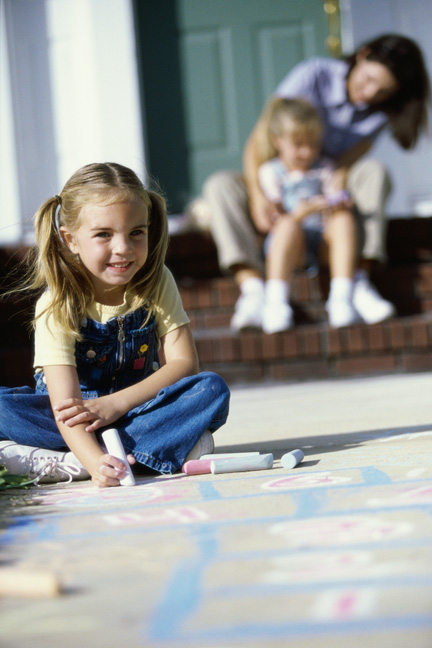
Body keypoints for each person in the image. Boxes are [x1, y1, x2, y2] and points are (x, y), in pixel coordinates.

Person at [0, 162, 230, 488]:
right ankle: (120, 456)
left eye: (136, 232)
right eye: (103, 235)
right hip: (70, 421)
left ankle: (88, 458)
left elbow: (184, 363)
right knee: (4, 408)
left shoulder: (156, 281)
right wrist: (95, 463)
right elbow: (64, 408)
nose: (122, 248)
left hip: (135, 410)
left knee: (209, 389)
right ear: (71, 240)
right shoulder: (57, 303)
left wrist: (115, 404)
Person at [202, 33, 430, 331]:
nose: (370, 93)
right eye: (368, 80)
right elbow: (260, 139)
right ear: (362, 55)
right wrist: (259, 196)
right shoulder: (313, 75)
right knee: (220, 185)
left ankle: (358, 278)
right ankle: (253, 289)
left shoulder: (381, 113)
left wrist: (335, 190)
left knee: (375, 172)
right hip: (276, 179)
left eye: (383, 91)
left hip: (323, 188)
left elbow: (347, 163)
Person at [259, 97, 358, 333]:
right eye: (299, 144)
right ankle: (275, 303)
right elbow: (275, 216)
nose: (307, 152)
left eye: (312, 144)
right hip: (292, 246)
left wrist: (339, 201)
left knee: (343, 219)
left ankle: (341, 298)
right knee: (287, 224)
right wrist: (301, 212)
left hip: (323, 242)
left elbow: (333, 196)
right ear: (278, 141)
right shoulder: (270, 172)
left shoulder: (323, 168)